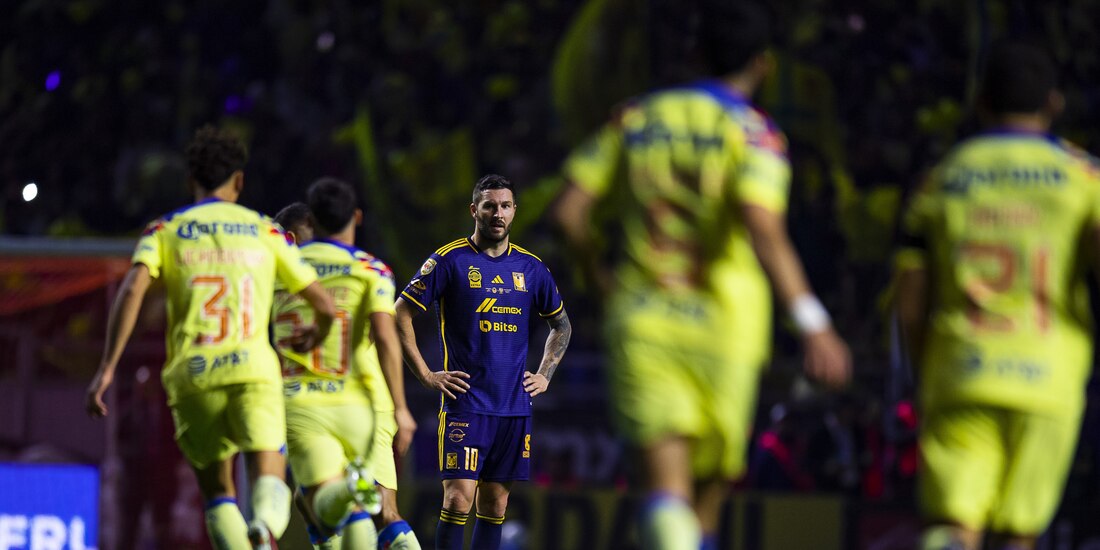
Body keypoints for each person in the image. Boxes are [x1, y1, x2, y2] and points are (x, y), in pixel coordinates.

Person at [552, 2, 850, 548]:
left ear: (694, 53)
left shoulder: (636, 118)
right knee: (708, 498)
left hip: (644, 317)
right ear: (763, 65)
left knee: (665, 491)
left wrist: (597, 275)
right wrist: (812, 321)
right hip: (726, 326)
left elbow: (569, 211)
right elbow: (763, 227)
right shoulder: (755, 134)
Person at [85, 125, 337, 550]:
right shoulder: (265, 230)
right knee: (269, 472)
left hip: (193, 375)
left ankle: (246, 532)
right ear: (239, 181)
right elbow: (324, 304)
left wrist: (106, 368)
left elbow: (132, 290)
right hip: (252, 371)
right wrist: (319, 331)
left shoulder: (164, 230)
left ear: (190, 182)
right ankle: (264, 524)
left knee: (218, 493)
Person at [895, 41, 1099, 550]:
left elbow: (910, 299)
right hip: (1049, 373)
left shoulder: (940, 179)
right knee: (1018, 534)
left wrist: (926, 366)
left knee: (951, 526)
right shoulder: (1084, 177)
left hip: (961, 365)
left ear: (981, 103)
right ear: (1054, 103)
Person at [395, 174, 572, 550]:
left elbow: (561, 325)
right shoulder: (449, 260)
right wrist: (426, 374)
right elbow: (400, 314)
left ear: (514, 212)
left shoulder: (531, 268)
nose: (498, 213)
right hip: (467, 403)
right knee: (458, 498)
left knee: (496, 503)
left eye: (505, 206)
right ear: (474, 210)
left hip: (513, 406)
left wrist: (545, 374)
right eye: (489, 205)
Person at [273, 190, 422, 550]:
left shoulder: (282, 277)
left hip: (328, 402)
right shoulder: (366, 270)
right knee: (325, 506)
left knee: (357, 507)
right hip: (363, 403)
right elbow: (384, 332)